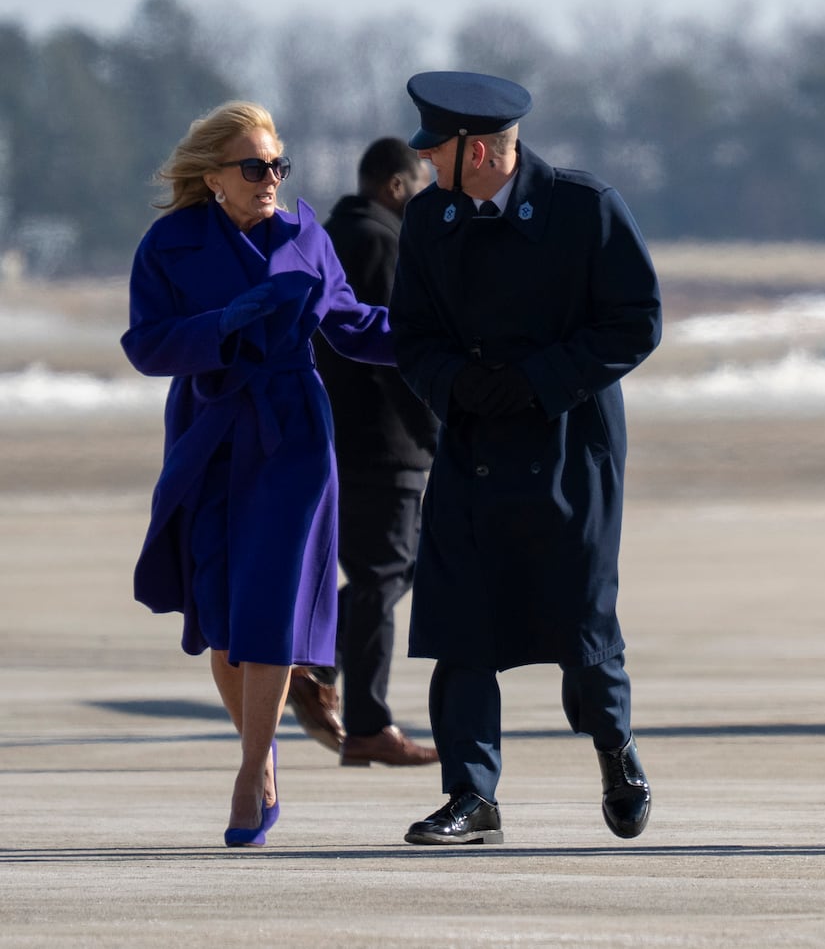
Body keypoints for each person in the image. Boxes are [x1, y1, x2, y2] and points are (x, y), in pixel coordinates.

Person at [388, 71, 662, 846]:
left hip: (569, 448)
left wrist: (539, 383)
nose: (424, 163)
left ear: (476, 151)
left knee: (580, 624)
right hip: (472, 443)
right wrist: (463, 384)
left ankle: (615, 748)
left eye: (434, 149)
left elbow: (636, 320)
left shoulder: (586, 208)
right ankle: (472, 795)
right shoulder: (428, 218)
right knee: (461, 623)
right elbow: (409, 335)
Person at [121, 101, 394, 846]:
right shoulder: (168, 245)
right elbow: (145, 346)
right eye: (254, 166)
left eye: (279, 164)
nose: (270, 177)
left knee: (270, 603)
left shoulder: (308, 235)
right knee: (221, 614)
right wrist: (222, 325)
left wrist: (441, 347)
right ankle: (264, 744)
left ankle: (250, 770)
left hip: (292, 437)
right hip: (209, 429)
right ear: (213, 176)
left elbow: (351, 323)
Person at [290, 137, 440, 768]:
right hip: (385, 442)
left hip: (335, 438)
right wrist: (436, 431)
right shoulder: (380, 242)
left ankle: (313, 662)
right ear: (395, 185)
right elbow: (391, 355)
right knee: (384, 575)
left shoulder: (329, 238)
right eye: (420, 185)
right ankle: (368, 721)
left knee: (387, 572)